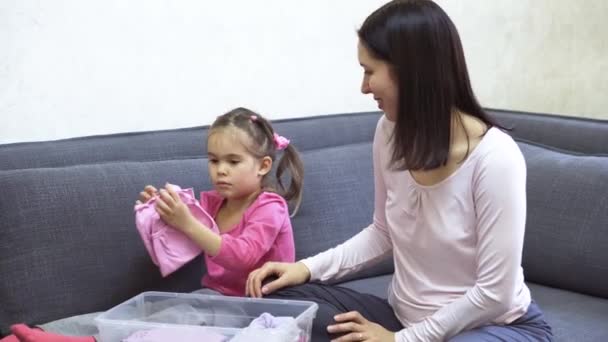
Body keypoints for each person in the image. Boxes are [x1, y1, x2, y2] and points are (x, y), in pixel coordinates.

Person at [245, 1, 554, 341]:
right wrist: (304, 269)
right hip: (400, 317)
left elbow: (496, 293)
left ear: (411, 71)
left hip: (493, 326)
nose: (364, 87)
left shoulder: (495, 158)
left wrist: (400, 340)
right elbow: (383, 232)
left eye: (369, 71)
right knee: (277, 303)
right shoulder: (389, 132)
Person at [3, 107, 304, 342]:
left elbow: (243, 256)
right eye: (213, 161)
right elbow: (180, 247)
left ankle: (87, 339)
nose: (220, 171)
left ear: (263, 165)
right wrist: (161, 213)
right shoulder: (213, 203)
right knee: (143, 312)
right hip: (213, 299)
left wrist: (188, 224)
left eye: (233, 162)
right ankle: (41, 331)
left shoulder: (269, 206)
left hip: (260, 307)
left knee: (178, 320)